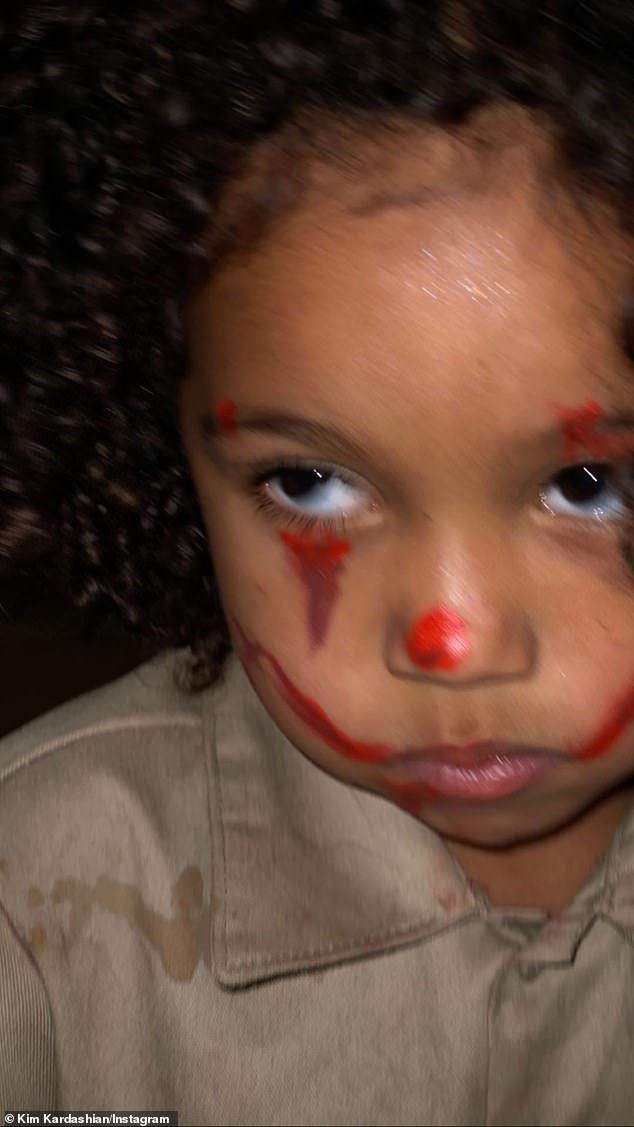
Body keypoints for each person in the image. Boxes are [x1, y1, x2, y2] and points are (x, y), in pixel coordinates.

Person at [1, 2, 633, 1123]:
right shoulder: (33, 907)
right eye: (311, 484)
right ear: (163, 442)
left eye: (588, 485)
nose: (451, 642)